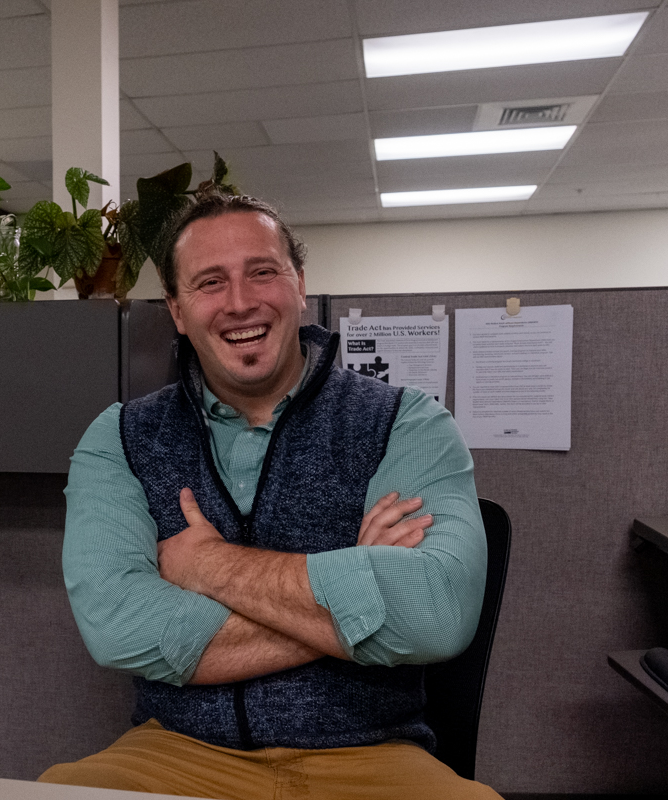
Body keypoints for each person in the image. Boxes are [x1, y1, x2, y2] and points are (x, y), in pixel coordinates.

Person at [41, 193, 499, 799]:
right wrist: (360, 599)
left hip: (369, 754)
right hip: (175, 750)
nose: (240, 302)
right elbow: (118, 627)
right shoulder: (120, 438)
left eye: (263, 271)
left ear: (299, 284)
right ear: (177, 311)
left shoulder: (407, 423)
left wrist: (208, 565)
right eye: (210, 282)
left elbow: (437, 614)